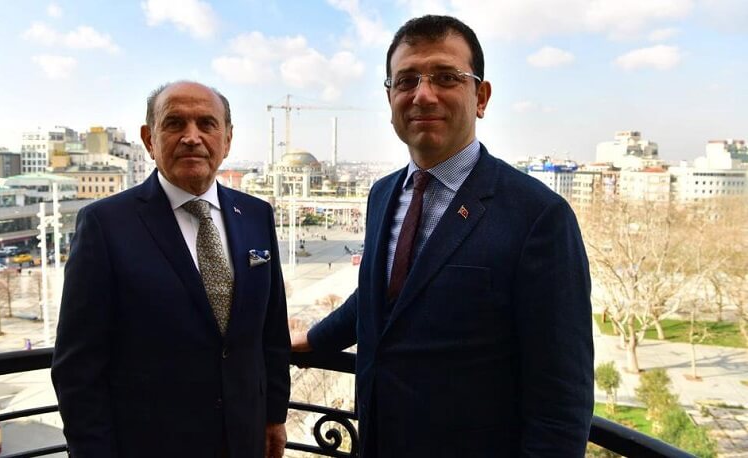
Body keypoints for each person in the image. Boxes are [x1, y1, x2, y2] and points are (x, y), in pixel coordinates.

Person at [292, 15, 593, 457]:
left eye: (446, 77)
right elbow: (379, 296)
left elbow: (561, 398)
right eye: (406, 80)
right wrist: (313, 341)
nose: (423, 94)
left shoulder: (538, 216)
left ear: (481, 97)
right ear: (390, 97)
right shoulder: (382, 194)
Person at [52, 81, 291, 458]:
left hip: (245, 439)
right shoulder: (105, 225)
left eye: (207, 124)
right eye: (175, 123)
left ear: (227, 139)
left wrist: (275, 415)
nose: (192, 137)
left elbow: (272, 331)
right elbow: (78, 368)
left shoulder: (256, 215)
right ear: (149, 139)